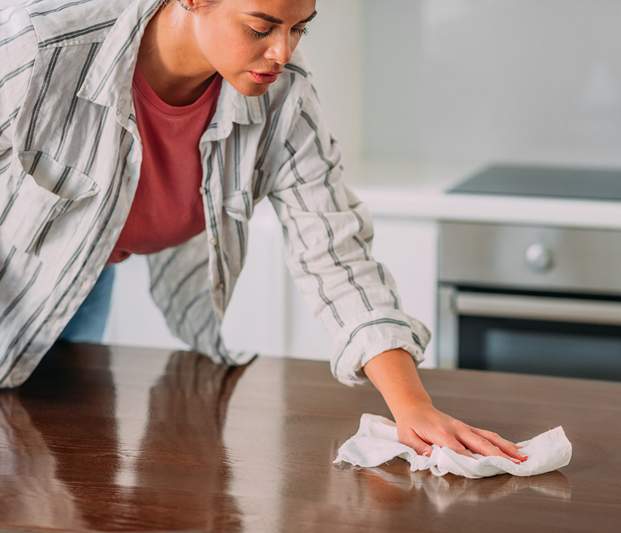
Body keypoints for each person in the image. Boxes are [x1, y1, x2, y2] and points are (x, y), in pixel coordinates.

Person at [0, 0, 528, 464]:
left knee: (63, 460)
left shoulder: (282, 96)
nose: (282, 52)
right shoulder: (42, 44)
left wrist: (413, 407)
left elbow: (334, 252)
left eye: (300, 29)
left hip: (82, 277)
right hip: (13, 272)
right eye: (261, 28)